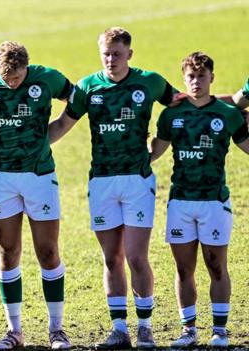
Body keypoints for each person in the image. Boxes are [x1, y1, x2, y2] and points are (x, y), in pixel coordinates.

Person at [49, 27, 178, 350]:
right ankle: (119, 329)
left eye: (117, 54)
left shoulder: (149, 82)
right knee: (111, 259)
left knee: (136, 257)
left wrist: (156, 149)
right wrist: (29, 144)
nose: (111, 60)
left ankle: (145, 328)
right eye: (106, 54)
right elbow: (64, 123)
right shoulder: (88, 87)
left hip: (137, 181)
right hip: (102, 181)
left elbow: (182, 103)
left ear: (129, 54)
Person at [0, 41, 72, 350]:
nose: (11, 84)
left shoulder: (47, 78)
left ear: (27, 67)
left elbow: (78, 98)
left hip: (40, 176)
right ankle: (14, 331)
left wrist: (56, 130)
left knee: (48, 252)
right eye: (6, 79)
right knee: (7, 252)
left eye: (17, 78)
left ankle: (57, 329)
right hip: (1, 177)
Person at [150, 52, 249, 348]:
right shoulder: (171, 115)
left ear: (212, 78)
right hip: (180, 202)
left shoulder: (227, 114)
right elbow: (155, 151)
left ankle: (220, 331)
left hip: (214, 202)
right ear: (184, 79)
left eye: (201, 76)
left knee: (216, 266)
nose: (196, 82)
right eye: (191, 77)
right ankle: (188, 331)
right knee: (183, 269)